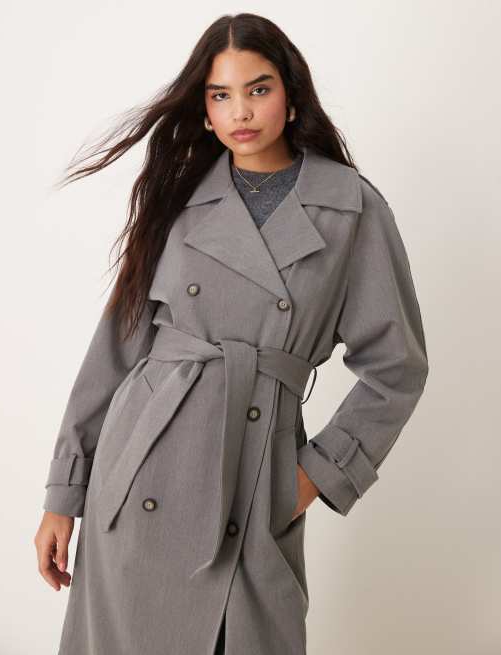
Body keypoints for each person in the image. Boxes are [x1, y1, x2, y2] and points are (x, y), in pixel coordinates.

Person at [34, 12, 429, 655]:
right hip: (138, 475)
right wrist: (64, 492)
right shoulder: (177, 196)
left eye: (258, 89)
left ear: (292, 96)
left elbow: (397, 366)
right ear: (205, 110)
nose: (240, 111)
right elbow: (117, 348)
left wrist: (314, 476)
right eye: (220, 95)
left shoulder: (351, 206)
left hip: (251, 471)